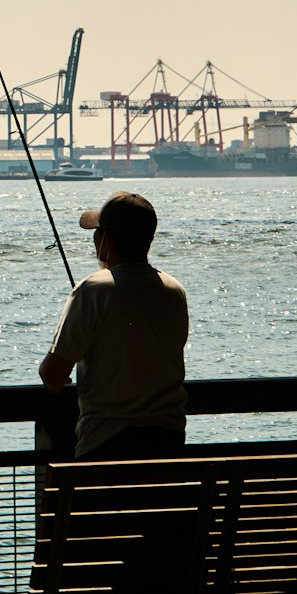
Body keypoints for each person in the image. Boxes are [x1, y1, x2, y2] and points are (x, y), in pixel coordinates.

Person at [39, 191, 188, 460]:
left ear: (106, 239)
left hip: (106, 447)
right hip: (169, 446)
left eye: (97, 233)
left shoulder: (92, 290)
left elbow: (53, 375)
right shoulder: (174, 290)